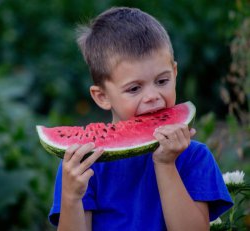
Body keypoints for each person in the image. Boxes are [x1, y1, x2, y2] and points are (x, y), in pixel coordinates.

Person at [48, 6, 233, 231]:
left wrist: (166, 165)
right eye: (134, 88)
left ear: (174, 73)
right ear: (102, 96)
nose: (152, 96)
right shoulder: (84, 165)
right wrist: (71, 198)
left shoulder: (194, 158)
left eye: (162, 81)